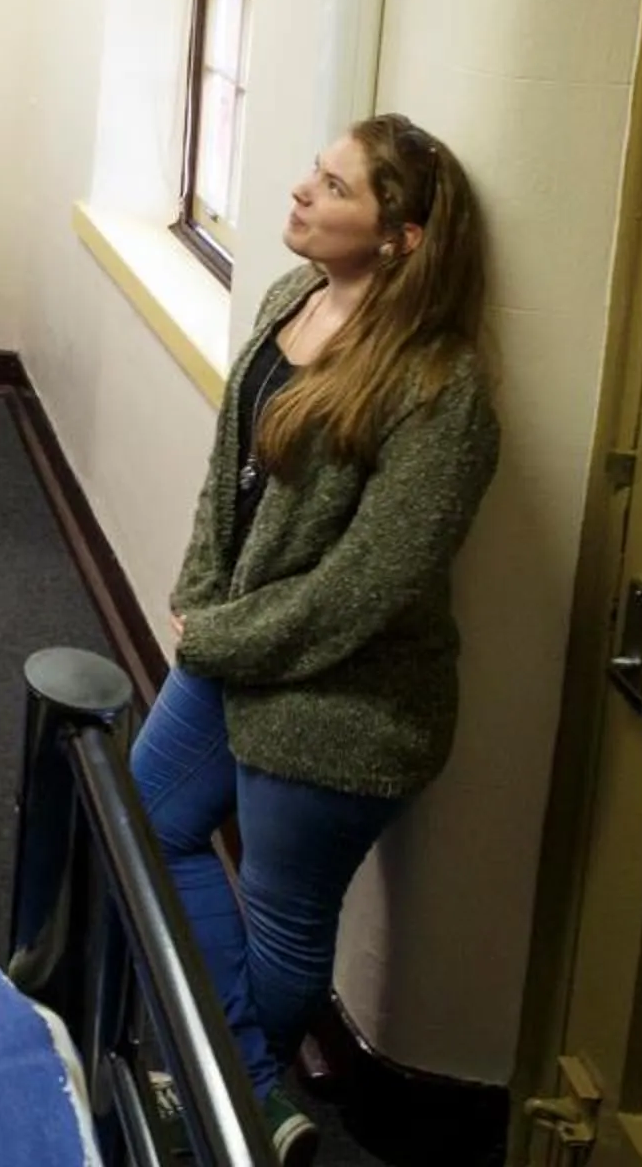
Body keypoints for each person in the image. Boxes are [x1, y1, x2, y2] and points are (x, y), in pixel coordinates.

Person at [134, 116, 499, 1167]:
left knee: (288, 923)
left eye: (332, 186)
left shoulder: (443, 390)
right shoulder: (292, 298)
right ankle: (253, 1089)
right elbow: (228, 473)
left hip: (351, 701)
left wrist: (225, 633)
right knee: (151, 815)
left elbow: (366, 590)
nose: (299, 191)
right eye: (313, 171)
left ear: (403, 237)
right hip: (239, 646)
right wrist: (202, 594)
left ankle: (236, 1089)